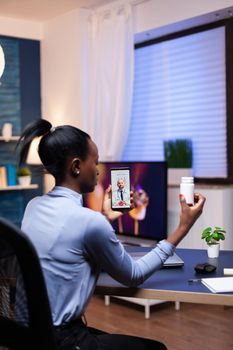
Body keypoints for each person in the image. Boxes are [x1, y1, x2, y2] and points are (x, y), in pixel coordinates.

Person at [18, 119, 206, 350]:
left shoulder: (34, 206)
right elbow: (133, 275)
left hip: (31, 335)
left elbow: (70, 243)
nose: (97, 170)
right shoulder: (89, 221)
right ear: (76, 166)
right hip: (65, 341)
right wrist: (183, 227)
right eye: (94, 162)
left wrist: (105, 216)